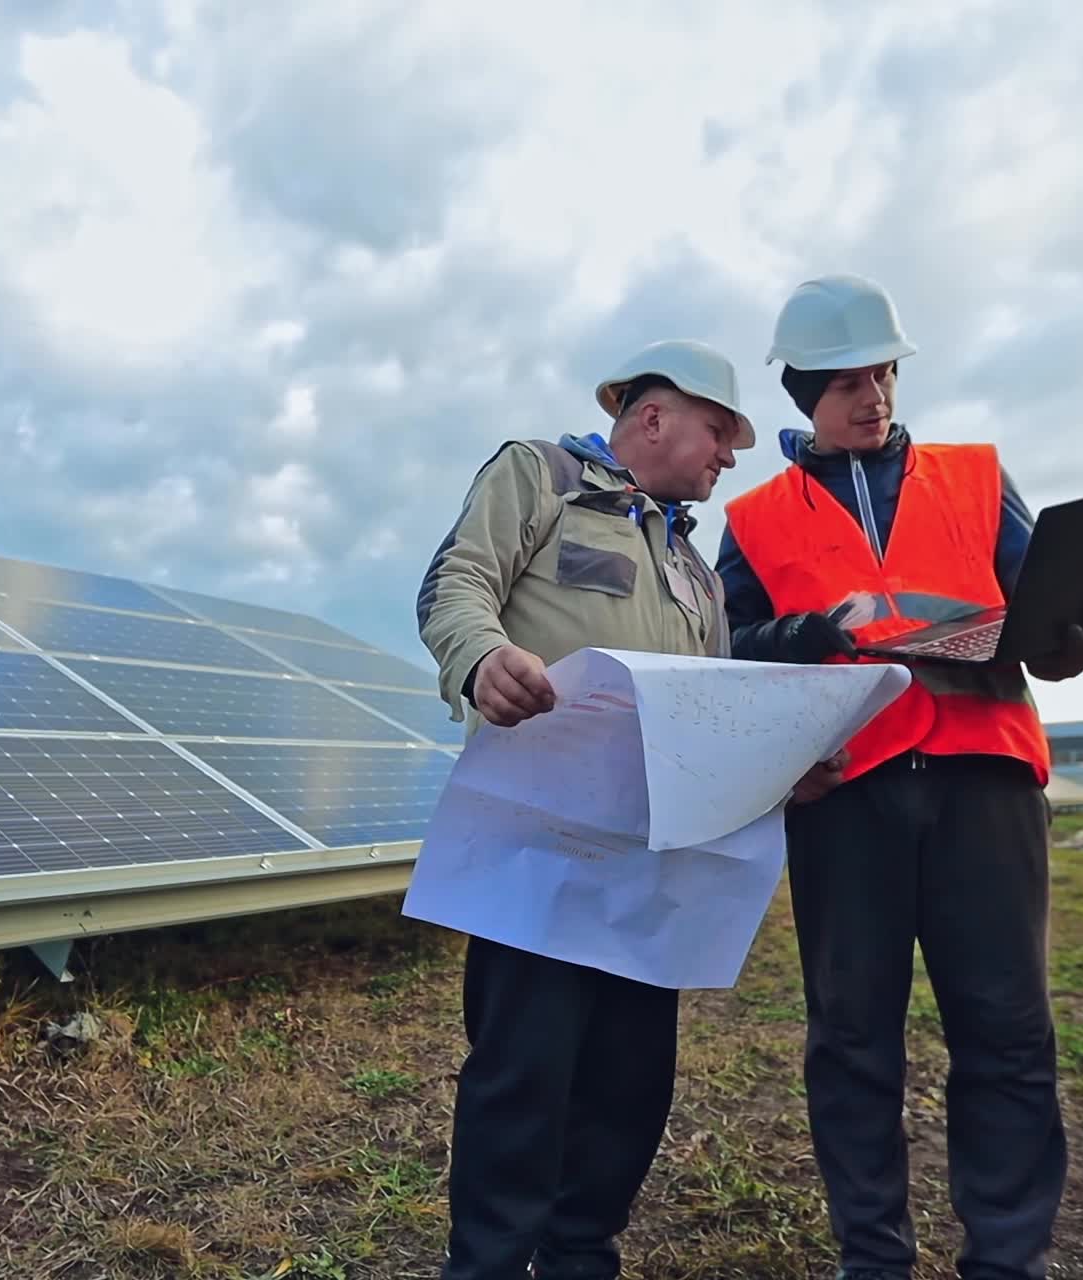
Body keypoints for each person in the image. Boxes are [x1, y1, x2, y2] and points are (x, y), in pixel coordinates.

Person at [716, 274, 1083, 1280]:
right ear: (802, 395)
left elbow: (1045, 610)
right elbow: (721, 648)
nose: (873, 395)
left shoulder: (977, 477)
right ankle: (872, 1257)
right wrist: (807, 638)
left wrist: (1074, 635)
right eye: (847, 381)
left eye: (884, 372)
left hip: (982, 784)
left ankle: (1006, 1257)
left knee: (1003, 1026)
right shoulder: (755, 518)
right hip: (844, 793)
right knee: (851, 1035)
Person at [417, 339, 772, 1280]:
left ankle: (582, 1257)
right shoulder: (540, 477)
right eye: (719, 432)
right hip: (538, 847)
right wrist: (481, 657)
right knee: (521, 1074)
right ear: (654, 417)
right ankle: (488, 1264)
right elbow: (455, 584)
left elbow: (723, 706)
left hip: (653, 863)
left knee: (629, 1086)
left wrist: (780, 764)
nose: (729, 456)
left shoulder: (698, 574)